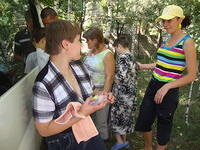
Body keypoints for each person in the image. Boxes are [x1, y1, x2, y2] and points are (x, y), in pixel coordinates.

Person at [32, 20, 114, 150]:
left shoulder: (79, 66)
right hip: (65, 143)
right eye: (78, 41)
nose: (81, 45)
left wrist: (101, 96)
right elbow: (44, 130)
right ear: (66, 44)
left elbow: (90, 92)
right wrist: (81, 113)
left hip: (88, 130)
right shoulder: (43, 83)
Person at [135, 5, 197, 150]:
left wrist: (168, 86)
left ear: (179, 19)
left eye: (169, 20)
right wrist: (142, 66)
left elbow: (192, 75)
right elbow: (162, 64)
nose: (165, 24)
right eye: (163, 21)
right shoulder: (167, 38)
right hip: (153, 85)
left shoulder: (187, 42)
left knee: (164, 125)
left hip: (169, 90)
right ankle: (148, 147)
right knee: (144, 120)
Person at [83, 27, 115, 140]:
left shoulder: (107, 54)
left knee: (100, 120)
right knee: (89, 119)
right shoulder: (90, 52)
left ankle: (102, 142)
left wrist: (103, 96)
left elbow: (110, 76)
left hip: (101, 89)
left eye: (88, 40)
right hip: (89, 89)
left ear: (95, 40)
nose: (86, 43)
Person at [110, 36, 137, 150]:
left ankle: (119, 141)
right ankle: (124, 141)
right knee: (126, 117)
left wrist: (111, 77)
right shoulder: (131, 56)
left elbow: (121, 76)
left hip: (121, 93)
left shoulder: (123, 57)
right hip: (130, 93)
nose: (116, 50)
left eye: (116, 48)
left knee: (117, 116)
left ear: (119, 46)